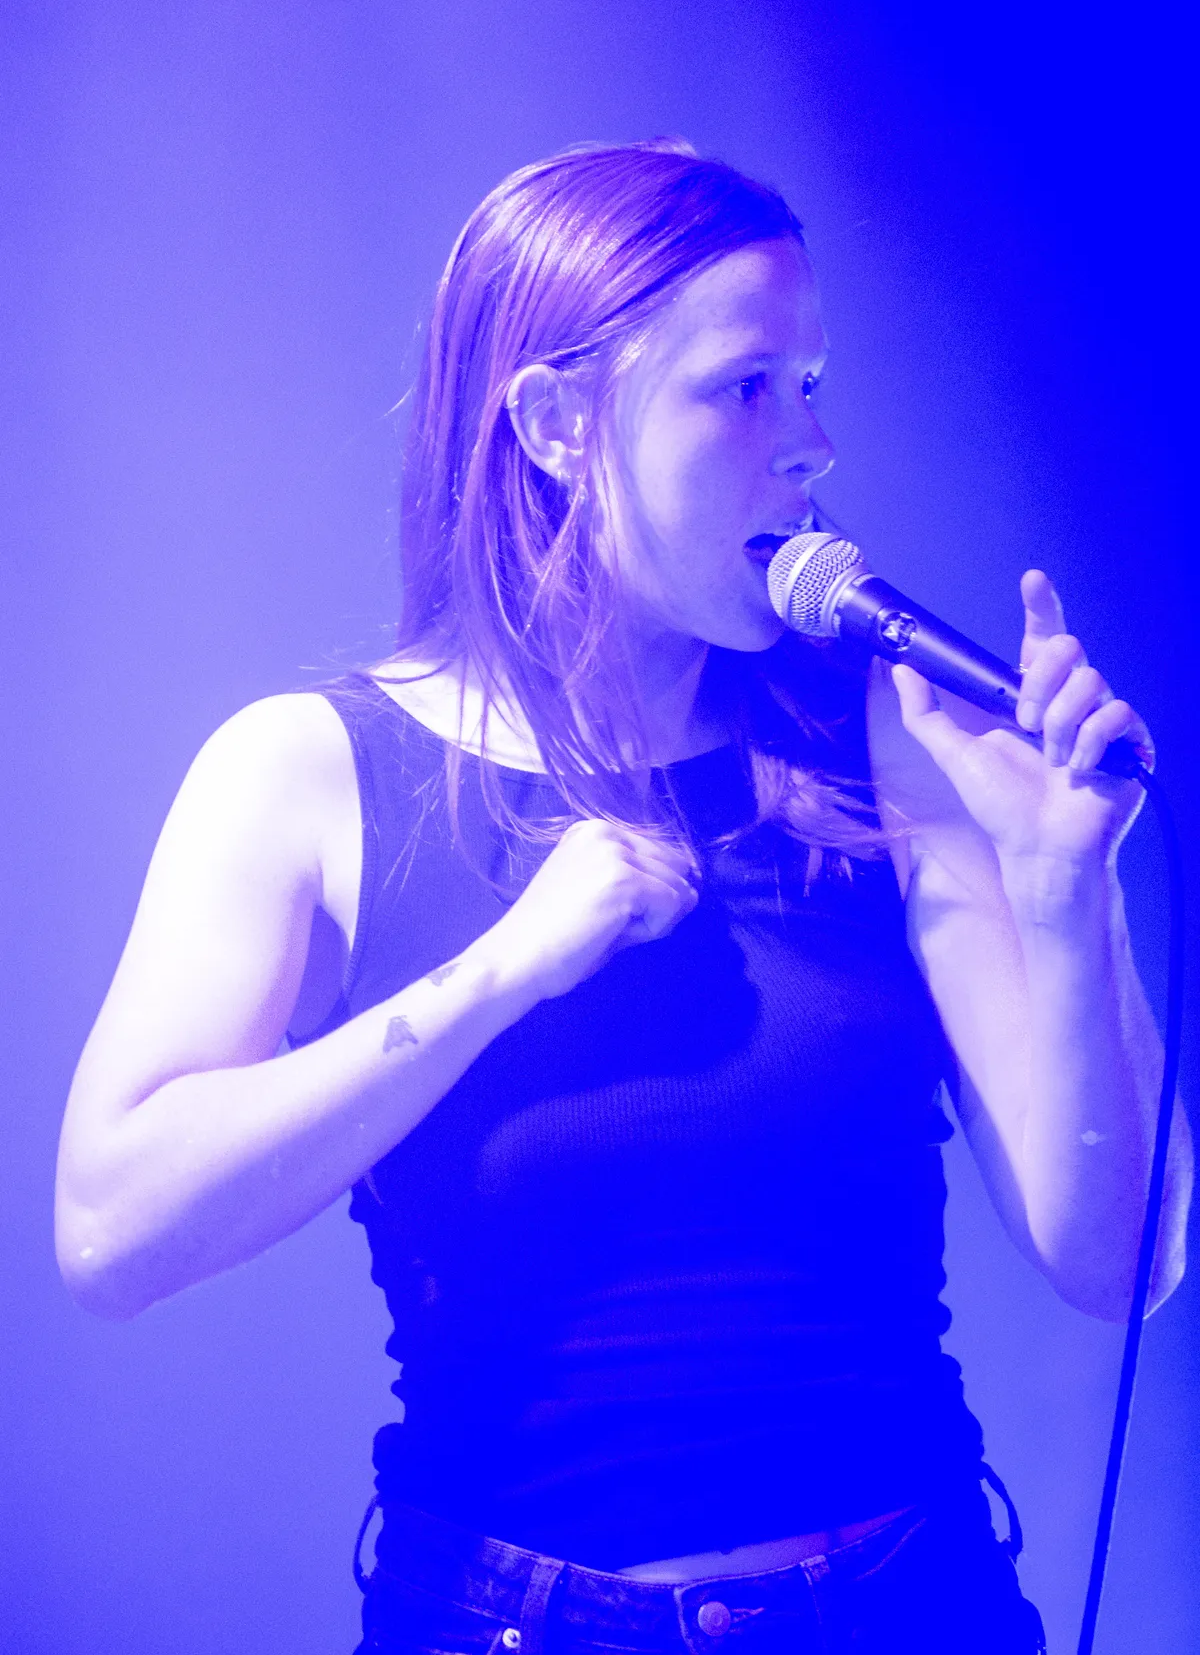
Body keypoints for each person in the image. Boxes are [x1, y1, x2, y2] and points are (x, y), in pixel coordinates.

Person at [56, 140, 1190, 1655]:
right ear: (554, 423)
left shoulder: (875, 735)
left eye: (812, 384)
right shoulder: (310, 773)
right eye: (746, 389)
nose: (812, 445)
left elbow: (1121, 1264)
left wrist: (1067, 902)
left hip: (904, 1602)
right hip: (512, 1618)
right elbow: (111, 1231)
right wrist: (505, 969)